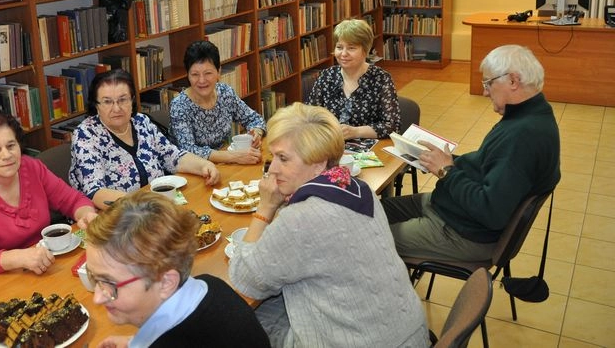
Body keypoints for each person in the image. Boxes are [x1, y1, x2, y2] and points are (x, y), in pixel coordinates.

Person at [228, 103, 428, 347]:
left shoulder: (301, 219)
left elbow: (245, 280)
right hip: (408, 333)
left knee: (235, 320)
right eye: (273, 157)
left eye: (283, 158)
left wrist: (265, 208)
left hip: (358, 342)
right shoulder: (360, 188)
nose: (273, 170)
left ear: (319, 164)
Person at [382, 44, 561, 262]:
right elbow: (489, 165)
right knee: (373, 209)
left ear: (513, 81)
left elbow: (491, 211)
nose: (485, 92)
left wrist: (446, 171)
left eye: (488, 83)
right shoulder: (532, 115)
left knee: (366, 237)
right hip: (453, 210)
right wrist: (447, 161)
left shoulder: (523, 136)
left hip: (464, 233)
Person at [87, 190, 270, 348]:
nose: (97, 298)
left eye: (110, 284)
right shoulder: (209, 284)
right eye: (93, 277)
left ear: (166, 282)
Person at [0, 110, 96, 279]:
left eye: (11, 146)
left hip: (45, 266)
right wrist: (17, 258)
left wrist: (86, 214)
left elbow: (73, 200)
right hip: (0, 279)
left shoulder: (32, 167)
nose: (7, 155)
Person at [69, 69, 220, 210]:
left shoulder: (141, 122)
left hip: (154, 209)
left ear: (132, 100)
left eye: (123, 100)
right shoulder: (86, 135)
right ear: (96, 105)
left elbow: (173, 157)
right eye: (107, 102)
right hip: (113, 216)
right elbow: (95, 192)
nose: (116, 108)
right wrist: (144, 204)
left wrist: (205, 165)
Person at [169, 41, 265, 165]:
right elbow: (188, 150)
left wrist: (256, 133)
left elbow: (255, 119)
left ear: (218, 71)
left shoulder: (225, 93)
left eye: (208, 73)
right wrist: (233, 156)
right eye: (195, 74)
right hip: (193, 168)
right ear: (187, 75)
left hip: (223, 164)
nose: (201, 80)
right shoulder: (179, 106)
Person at [306, 19, 400, 144]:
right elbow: (310, 117)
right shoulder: (327, 76)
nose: (343, 53)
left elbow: (392, 126)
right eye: (339, 47)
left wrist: (356, 132)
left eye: (351, 48)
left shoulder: (381, 79)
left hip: (368, 149)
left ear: (365, 50)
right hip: (329, 146)